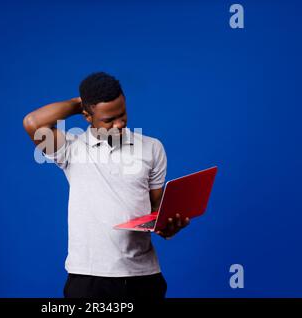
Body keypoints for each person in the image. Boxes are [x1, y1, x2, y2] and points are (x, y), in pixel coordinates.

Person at [23, 72, 190, 299]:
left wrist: (168, 227)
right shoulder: (71, 149)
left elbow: (156, 210)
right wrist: (80, 103)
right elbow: (33, 122)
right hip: (88, 278)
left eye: (122, 115)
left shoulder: (152, 148)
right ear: (87, 116)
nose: (119, 125)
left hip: (144, 276)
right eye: (108, 120)